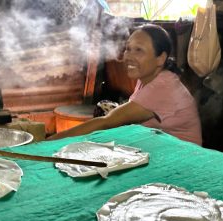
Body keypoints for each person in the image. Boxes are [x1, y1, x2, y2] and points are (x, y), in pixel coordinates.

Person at [47, 24, 202, 145]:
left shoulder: (162, 86)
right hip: (163, 147)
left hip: (184, 156)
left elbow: (106, 123)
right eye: (128, 49)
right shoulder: (148, 76)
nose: (128, 56)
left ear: (160, 58)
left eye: (139, 51)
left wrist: (48, 142)